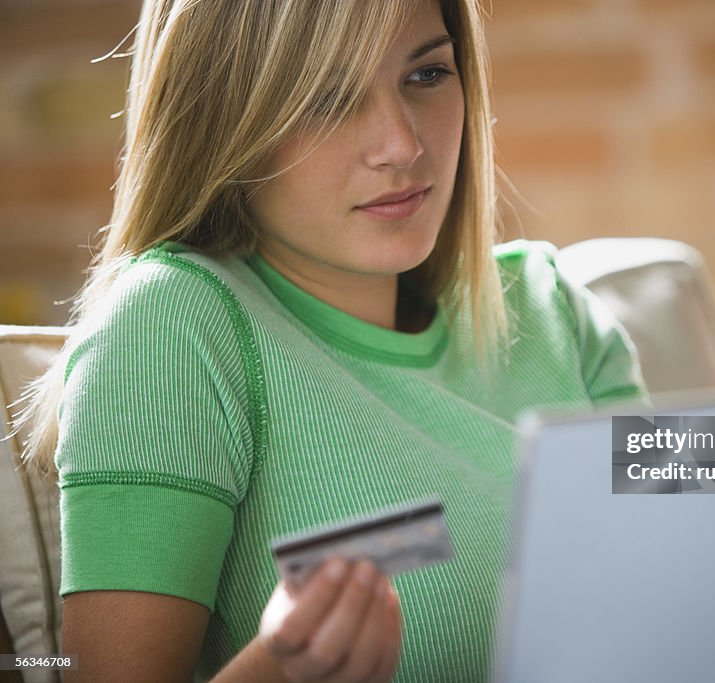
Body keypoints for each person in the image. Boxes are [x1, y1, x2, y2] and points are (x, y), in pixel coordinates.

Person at [15, 0, 647, 680]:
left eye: (428, 73)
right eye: (324, 97)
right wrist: (280, 670)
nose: (402, 144)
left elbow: (693, 551)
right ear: (224, 122)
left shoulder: (553, 307)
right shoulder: (173, 326)